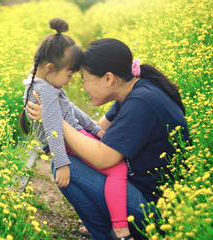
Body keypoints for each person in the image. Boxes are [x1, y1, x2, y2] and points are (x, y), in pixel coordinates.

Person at [26, 38, 190, 240]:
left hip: (158, 213)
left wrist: (55, 120)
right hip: (147, 194)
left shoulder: (141, 103)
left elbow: (103, 158)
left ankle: (105, 234)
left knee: (68, 168)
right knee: (73, 159)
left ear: (108, 79)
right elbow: (98, 131)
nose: (83, 86)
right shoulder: (134, 90)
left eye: (85, 79)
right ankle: (104, 227)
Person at [20, 20, 133, 239]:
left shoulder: (42, 84)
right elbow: (53, 125)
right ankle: (120, 229)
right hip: (69, 142)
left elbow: (70, 109)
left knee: (113, 164)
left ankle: (100, 225)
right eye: (70, 74)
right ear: (51, 68)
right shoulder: (46, 91)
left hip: (73, 136)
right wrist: (61, 163)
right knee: (117, 168)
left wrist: (96, 129)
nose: (71, 81)